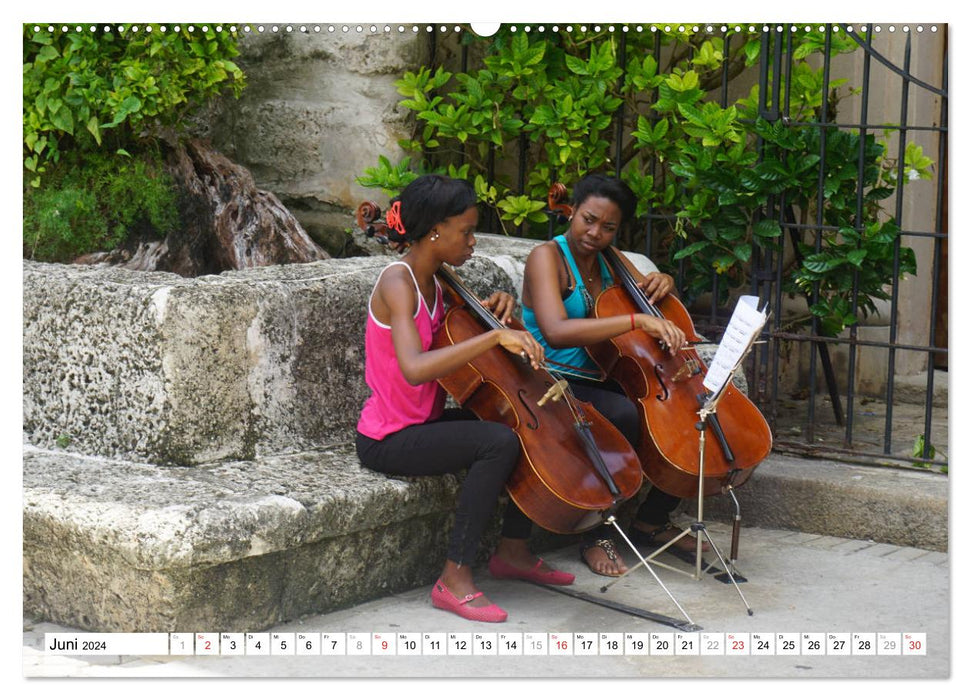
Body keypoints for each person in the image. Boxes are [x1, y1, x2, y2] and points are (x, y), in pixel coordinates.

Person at [355, 174, 575, 624]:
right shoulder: (399, 283)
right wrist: (495, 337)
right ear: (435, 231)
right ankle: (454, 577)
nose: (473, 242)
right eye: (467, 232)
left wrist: (497, 311)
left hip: (424, 422)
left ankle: (513, 550)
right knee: (497, 443)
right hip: (389, 436)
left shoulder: (439, 280)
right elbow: (415, 367)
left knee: (515, 422)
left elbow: (461, 335)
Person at [521, 172, 708, 578]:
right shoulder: (547, 258)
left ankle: (651, 519)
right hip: (552, 380)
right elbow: (555, 329)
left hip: (602, 375)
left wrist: (665, 283)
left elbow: (649, 299)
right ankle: (594, 534)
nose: (595, 233)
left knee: (692, 415)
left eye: (608, 227)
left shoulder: (611, 260)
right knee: (622, 415)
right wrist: (635, 318)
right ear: (571, 210)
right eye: (588, 219)